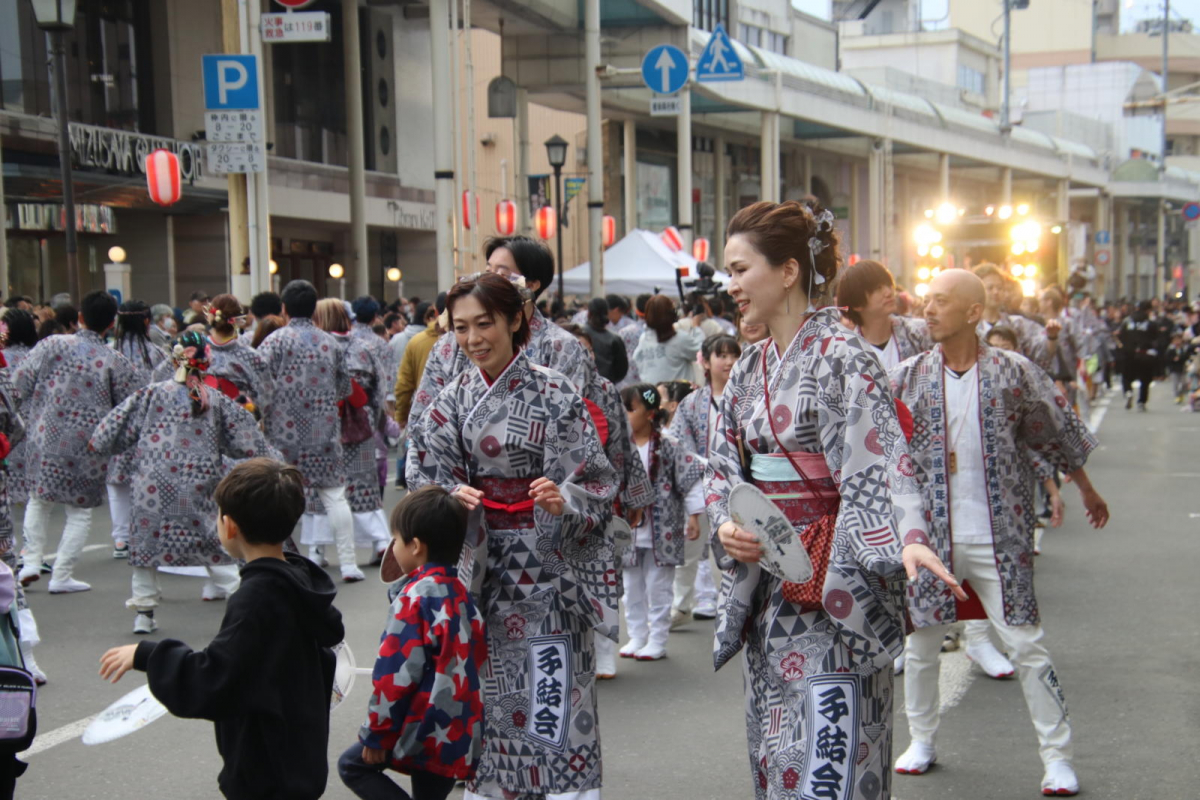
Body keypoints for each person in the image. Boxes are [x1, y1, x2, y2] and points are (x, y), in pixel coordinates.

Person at [706, 200, 962, 800]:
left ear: (788, 271)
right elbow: (722, 468)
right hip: (771, 588)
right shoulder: (748, 368)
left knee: (833, 757)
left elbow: (884, 464)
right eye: (729, 272)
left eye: (740, 270)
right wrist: (725, 524)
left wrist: (910, 537)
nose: (731, 285)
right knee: (779, 753)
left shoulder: (846, 357)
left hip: (835, 586)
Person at [889, 269, 1109, 797]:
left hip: (1000, 533)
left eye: (941, 301)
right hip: (930, 537)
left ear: (973, 312)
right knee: (920, 646)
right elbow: (881, 451)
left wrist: (1083, 488)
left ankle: (1057, 758)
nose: (928, 310)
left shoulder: (1014, 372)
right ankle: (922, 740)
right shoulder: (907, 377)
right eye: (927, 300)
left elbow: (1054, 430)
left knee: (1027, 646)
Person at [406, 273, 619, 800]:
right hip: (481, 565)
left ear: (515, 319)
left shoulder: (555, 390)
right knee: (490, 692)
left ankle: (566, 789)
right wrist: (449, 492)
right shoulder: (452, 399)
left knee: (555, 686)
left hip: (550, 563)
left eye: (484, 324)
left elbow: (596, 478)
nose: (472, 338)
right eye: (460, 328)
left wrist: (563, 498)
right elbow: (423, 472)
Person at [98, 458, 344, 800]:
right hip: (299, 758)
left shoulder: (257, 597)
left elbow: (215, 677)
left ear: (229, 526)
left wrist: (146, 654)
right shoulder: (299, 582)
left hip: (266, 769)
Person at [90, 331, 279, 631]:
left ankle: (144, 614)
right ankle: (245, 605)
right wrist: (273, 461)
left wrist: (96, 447)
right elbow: (247, 441)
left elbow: (109, 432)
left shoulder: (150, 394)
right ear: (206, 361)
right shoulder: (213, 399)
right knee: (214, 545)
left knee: (147, 548)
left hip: (151, 483)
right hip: (199, 483)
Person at [337, 486, 488, 800]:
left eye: (396, 540)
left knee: (352, 766)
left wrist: (376, 733)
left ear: (415, 546)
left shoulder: (415, 597)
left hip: (422, 723)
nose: (393, 547)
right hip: (458, 726)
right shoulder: (461, 595)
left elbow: (395, 674)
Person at [407, 236, 592, 446]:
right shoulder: (450, 344)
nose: (490, 281)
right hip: (455, 463)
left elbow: (571, 429)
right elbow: (423, 420)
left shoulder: (562, 347)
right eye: (488, 271)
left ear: (531, 285)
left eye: (502, 274)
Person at [14, 291, 136, 592]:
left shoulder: (51, 344)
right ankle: (61, 575)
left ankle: (31, 562)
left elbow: (19, 384)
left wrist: (24, 419)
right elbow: (129, 408)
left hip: (44, 435)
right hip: (88, 444)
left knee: (38, 501)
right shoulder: (115, 360)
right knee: (78, 512)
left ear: (80, 317)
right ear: (111, 323)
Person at [259, 280, 364, 582]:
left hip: (282, 434)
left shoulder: (274, 342)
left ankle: (279, 561)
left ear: (284, 308)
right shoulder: (329, 342)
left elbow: (260, 385)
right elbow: (344, 388)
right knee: (334, 496)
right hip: (323, 432)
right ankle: (348, 563)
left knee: (276, 498)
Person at [618, 384, 704, 662]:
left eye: (630, 409)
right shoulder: (618, 446)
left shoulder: (669, 446)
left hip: (663, 528)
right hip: (628, 530)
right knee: (631, 588)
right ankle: (637, 635)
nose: (624, 415)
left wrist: (694, 515)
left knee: (659, 587)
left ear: (651, 414)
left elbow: (691, 478)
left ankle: (657, 639)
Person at [301, 300, 389, 570]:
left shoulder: (313, 348)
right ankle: (380, 542)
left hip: (320, 426)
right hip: (358, 425)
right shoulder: (364, 347)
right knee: (362, 485)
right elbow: (379, 390)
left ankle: (317, 549)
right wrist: (375, 420)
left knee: (321, 489)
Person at [666, 333, 741, 625]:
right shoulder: (692, 402)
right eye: (722, 356)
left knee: (737, 548)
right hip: (700, 483)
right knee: (690, 549)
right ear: (706, 362)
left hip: (740, 484)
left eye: (734, 355)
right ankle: (682, 604)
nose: (729, 362)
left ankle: (735, 606)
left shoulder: (749, 397)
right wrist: (699, 471)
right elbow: (679, 445)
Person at [107, 301, 170, 560]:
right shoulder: (157, 354)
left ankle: (121, 538)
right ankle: (150, 535)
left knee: (117, 485)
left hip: (117, 423)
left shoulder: (110, 352)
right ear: (146, 321)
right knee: (151, 483)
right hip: (151, 425)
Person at [838, 259, 931, 371]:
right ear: (857, 304)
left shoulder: (919, 332)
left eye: (889, 285)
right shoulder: (846, 354)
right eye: (878, 288)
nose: (889, 292)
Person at [202, 294, 272, 417]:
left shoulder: (195, 352)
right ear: (238, 320)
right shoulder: (251, 357)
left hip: (203, 421)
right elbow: (266, 397)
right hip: (241, 421)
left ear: (210, 316)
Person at [631, 294, 705, 384]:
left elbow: (636, 359)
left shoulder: (644, 338)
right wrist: (696, 327)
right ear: (672, 314)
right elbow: (701, 352)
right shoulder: (679, 339)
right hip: (677, 391)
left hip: (652, 390)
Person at [1118, 300, 1162, 411]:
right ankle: (1141, 401)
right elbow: (1156, 338)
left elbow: (1121, 336)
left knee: (1126, 376)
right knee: (1145, 379)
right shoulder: (1150, 323)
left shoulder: (1127, 321)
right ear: (1148, 310)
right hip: (1145, 353)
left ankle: (1128, 392)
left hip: (1128, 353)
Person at [585, 297, 628, 384]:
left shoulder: (578, 334)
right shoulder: (615, 339)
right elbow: (622, 369)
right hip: (605, 384)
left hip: (583, 383)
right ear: (607, 313)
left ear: (588, 313)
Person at [1166, 330, 1192, 404]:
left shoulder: (1183, 349)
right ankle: (1177, 396)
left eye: (1178, 340)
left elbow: (1187, 356)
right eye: (1175, 340)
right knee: (1176, 383)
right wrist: (1173, 359)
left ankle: (1181, 393)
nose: (1177, 342)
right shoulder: (1170, 349)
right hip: (1174, 369)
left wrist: (1180, 358)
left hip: (1182, 368)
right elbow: (1167, 358)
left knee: (1184, 383)